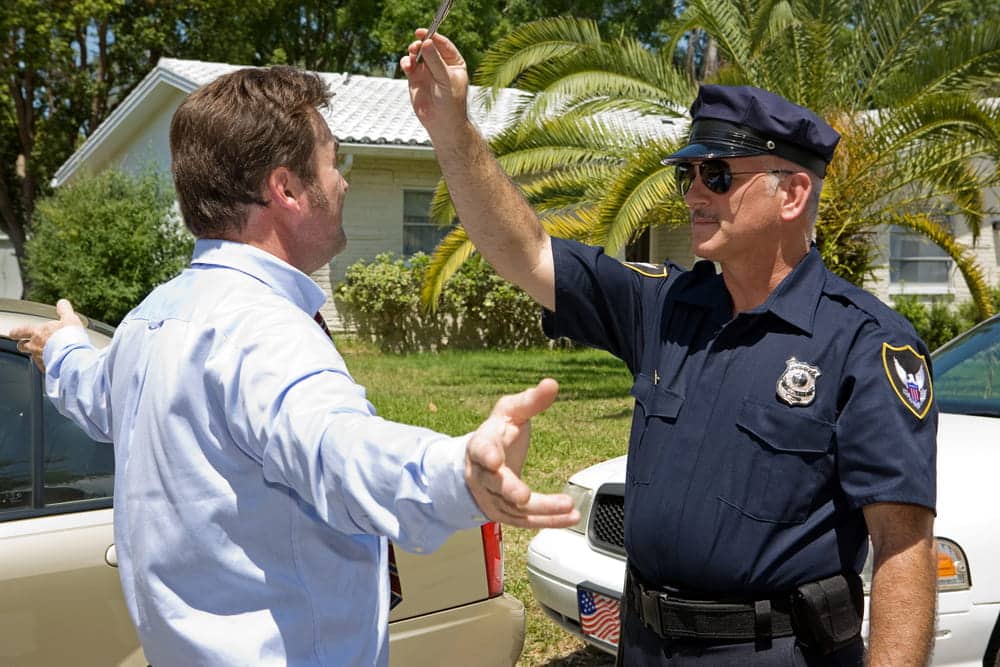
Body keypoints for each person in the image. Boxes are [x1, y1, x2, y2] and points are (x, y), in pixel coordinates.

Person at [9, 65, 579, 666]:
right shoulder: (263, 333)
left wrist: (65, 347)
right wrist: (454, 475)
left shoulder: (150, 320)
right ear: (286, 188)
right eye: (335, 164)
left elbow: (97, 392)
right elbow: (333, 446)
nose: (343, 185)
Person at [401, 31, 938, 666]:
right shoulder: (666, 308)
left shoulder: (864, 343)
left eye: (717, 175)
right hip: (645, 644)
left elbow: (903, 550)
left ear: (792, 195)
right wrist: (452, 129)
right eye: (689, 174)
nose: (692, 195)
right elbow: (528, 253)